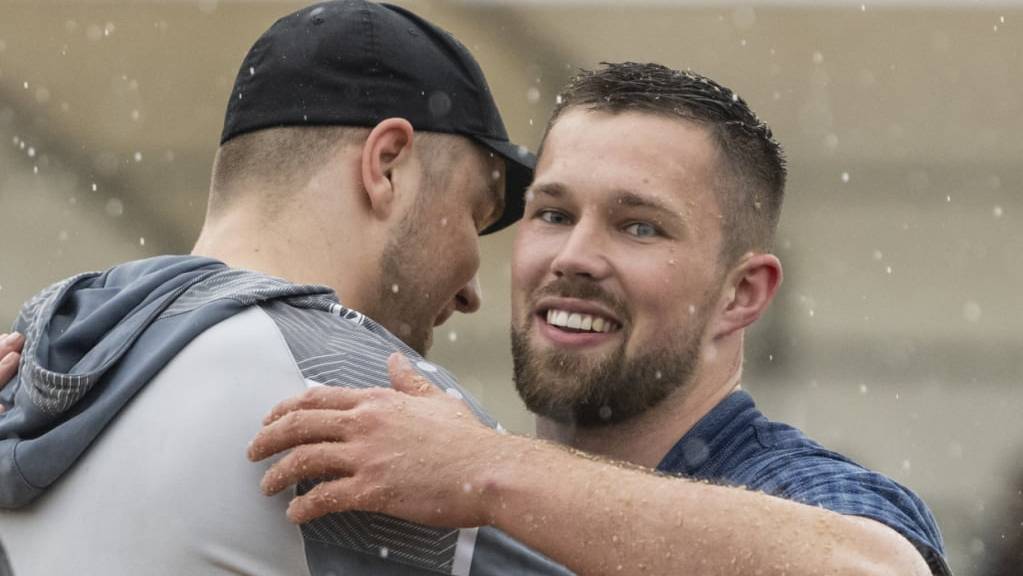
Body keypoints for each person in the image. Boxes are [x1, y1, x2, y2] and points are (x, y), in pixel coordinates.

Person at [248, 63, 953, 576]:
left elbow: (874, 569)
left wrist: (486, 469)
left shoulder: (792, 490)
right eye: (552, 215)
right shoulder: (461, 503)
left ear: (740, 295)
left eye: (639, 227)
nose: (575, 257)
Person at [0, 1, 565, 574]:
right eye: (474, 212)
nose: (473, 292)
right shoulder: (360, 404)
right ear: (388, 165)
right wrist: (497, 470)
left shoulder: (34, 372)